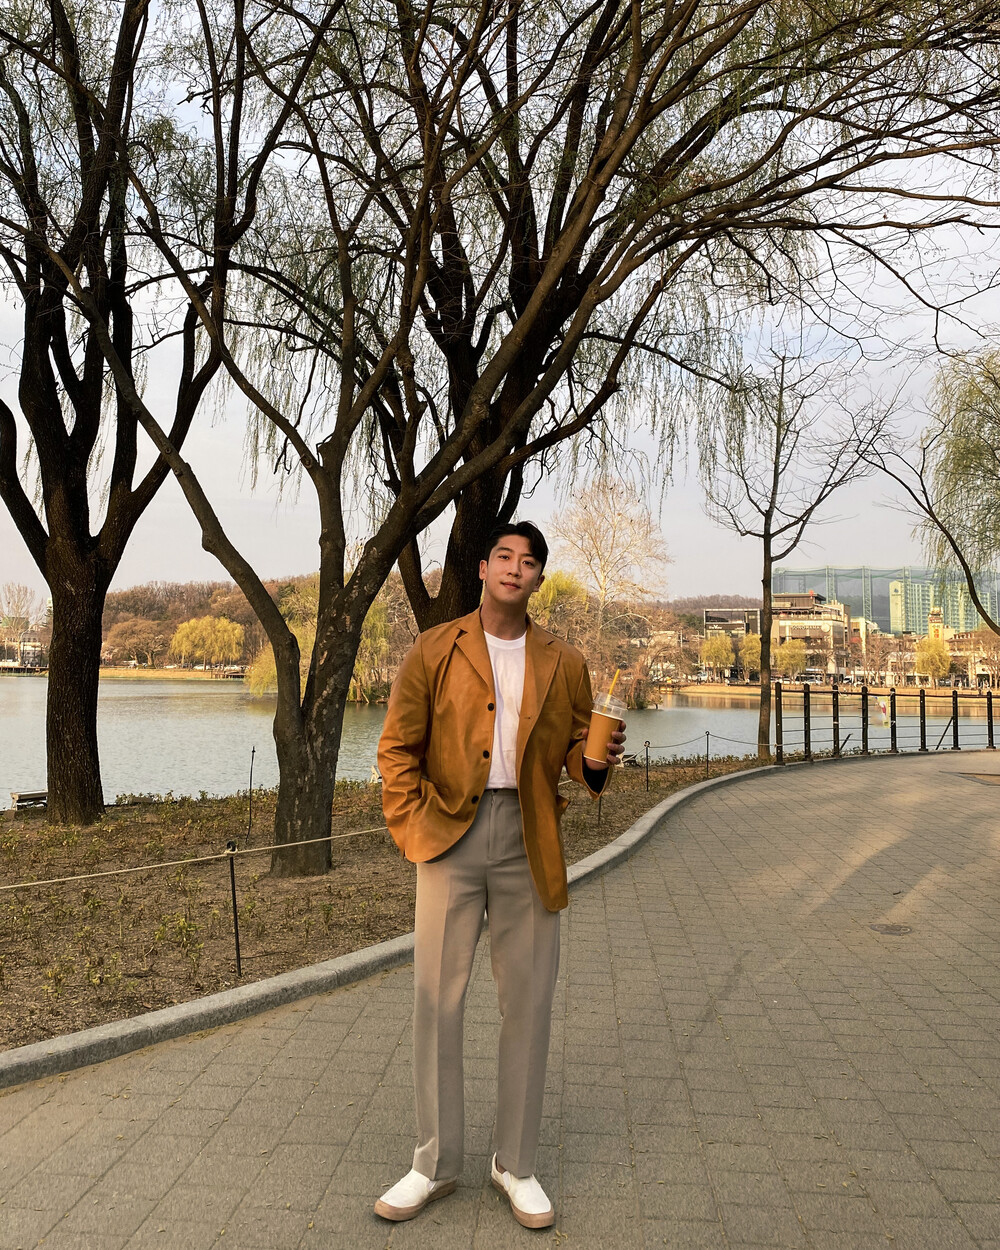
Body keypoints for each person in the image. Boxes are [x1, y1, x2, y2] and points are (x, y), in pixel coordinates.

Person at [374, 520, 626, 1229]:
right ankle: (433, 1164)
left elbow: (573, 748)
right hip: (448, 835)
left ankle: (515, 1163)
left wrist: (594, 760)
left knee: (530, 1002)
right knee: (436, 1001)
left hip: (529, 836)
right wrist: (414, 825)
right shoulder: (435, 648)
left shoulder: (564, 660)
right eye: (505, 556)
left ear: (539, 578)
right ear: (483, 568)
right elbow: (397, 749)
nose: (517, 568)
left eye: (530, 561)